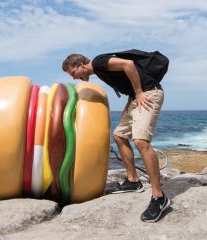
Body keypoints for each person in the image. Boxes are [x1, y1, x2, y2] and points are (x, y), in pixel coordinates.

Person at [62, 50, 170, 223]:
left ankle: (159, 197)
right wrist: (130, 103)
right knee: (119, 135)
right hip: (136, 98)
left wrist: (139, 92)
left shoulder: (98, 62)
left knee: (141, 142)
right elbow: (127, 80)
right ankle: (133, 181)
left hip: (148, 94)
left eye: (73, 73)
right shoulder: (99, 70)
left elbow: (129, 65)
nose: (74, 78)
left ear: (80, 65)